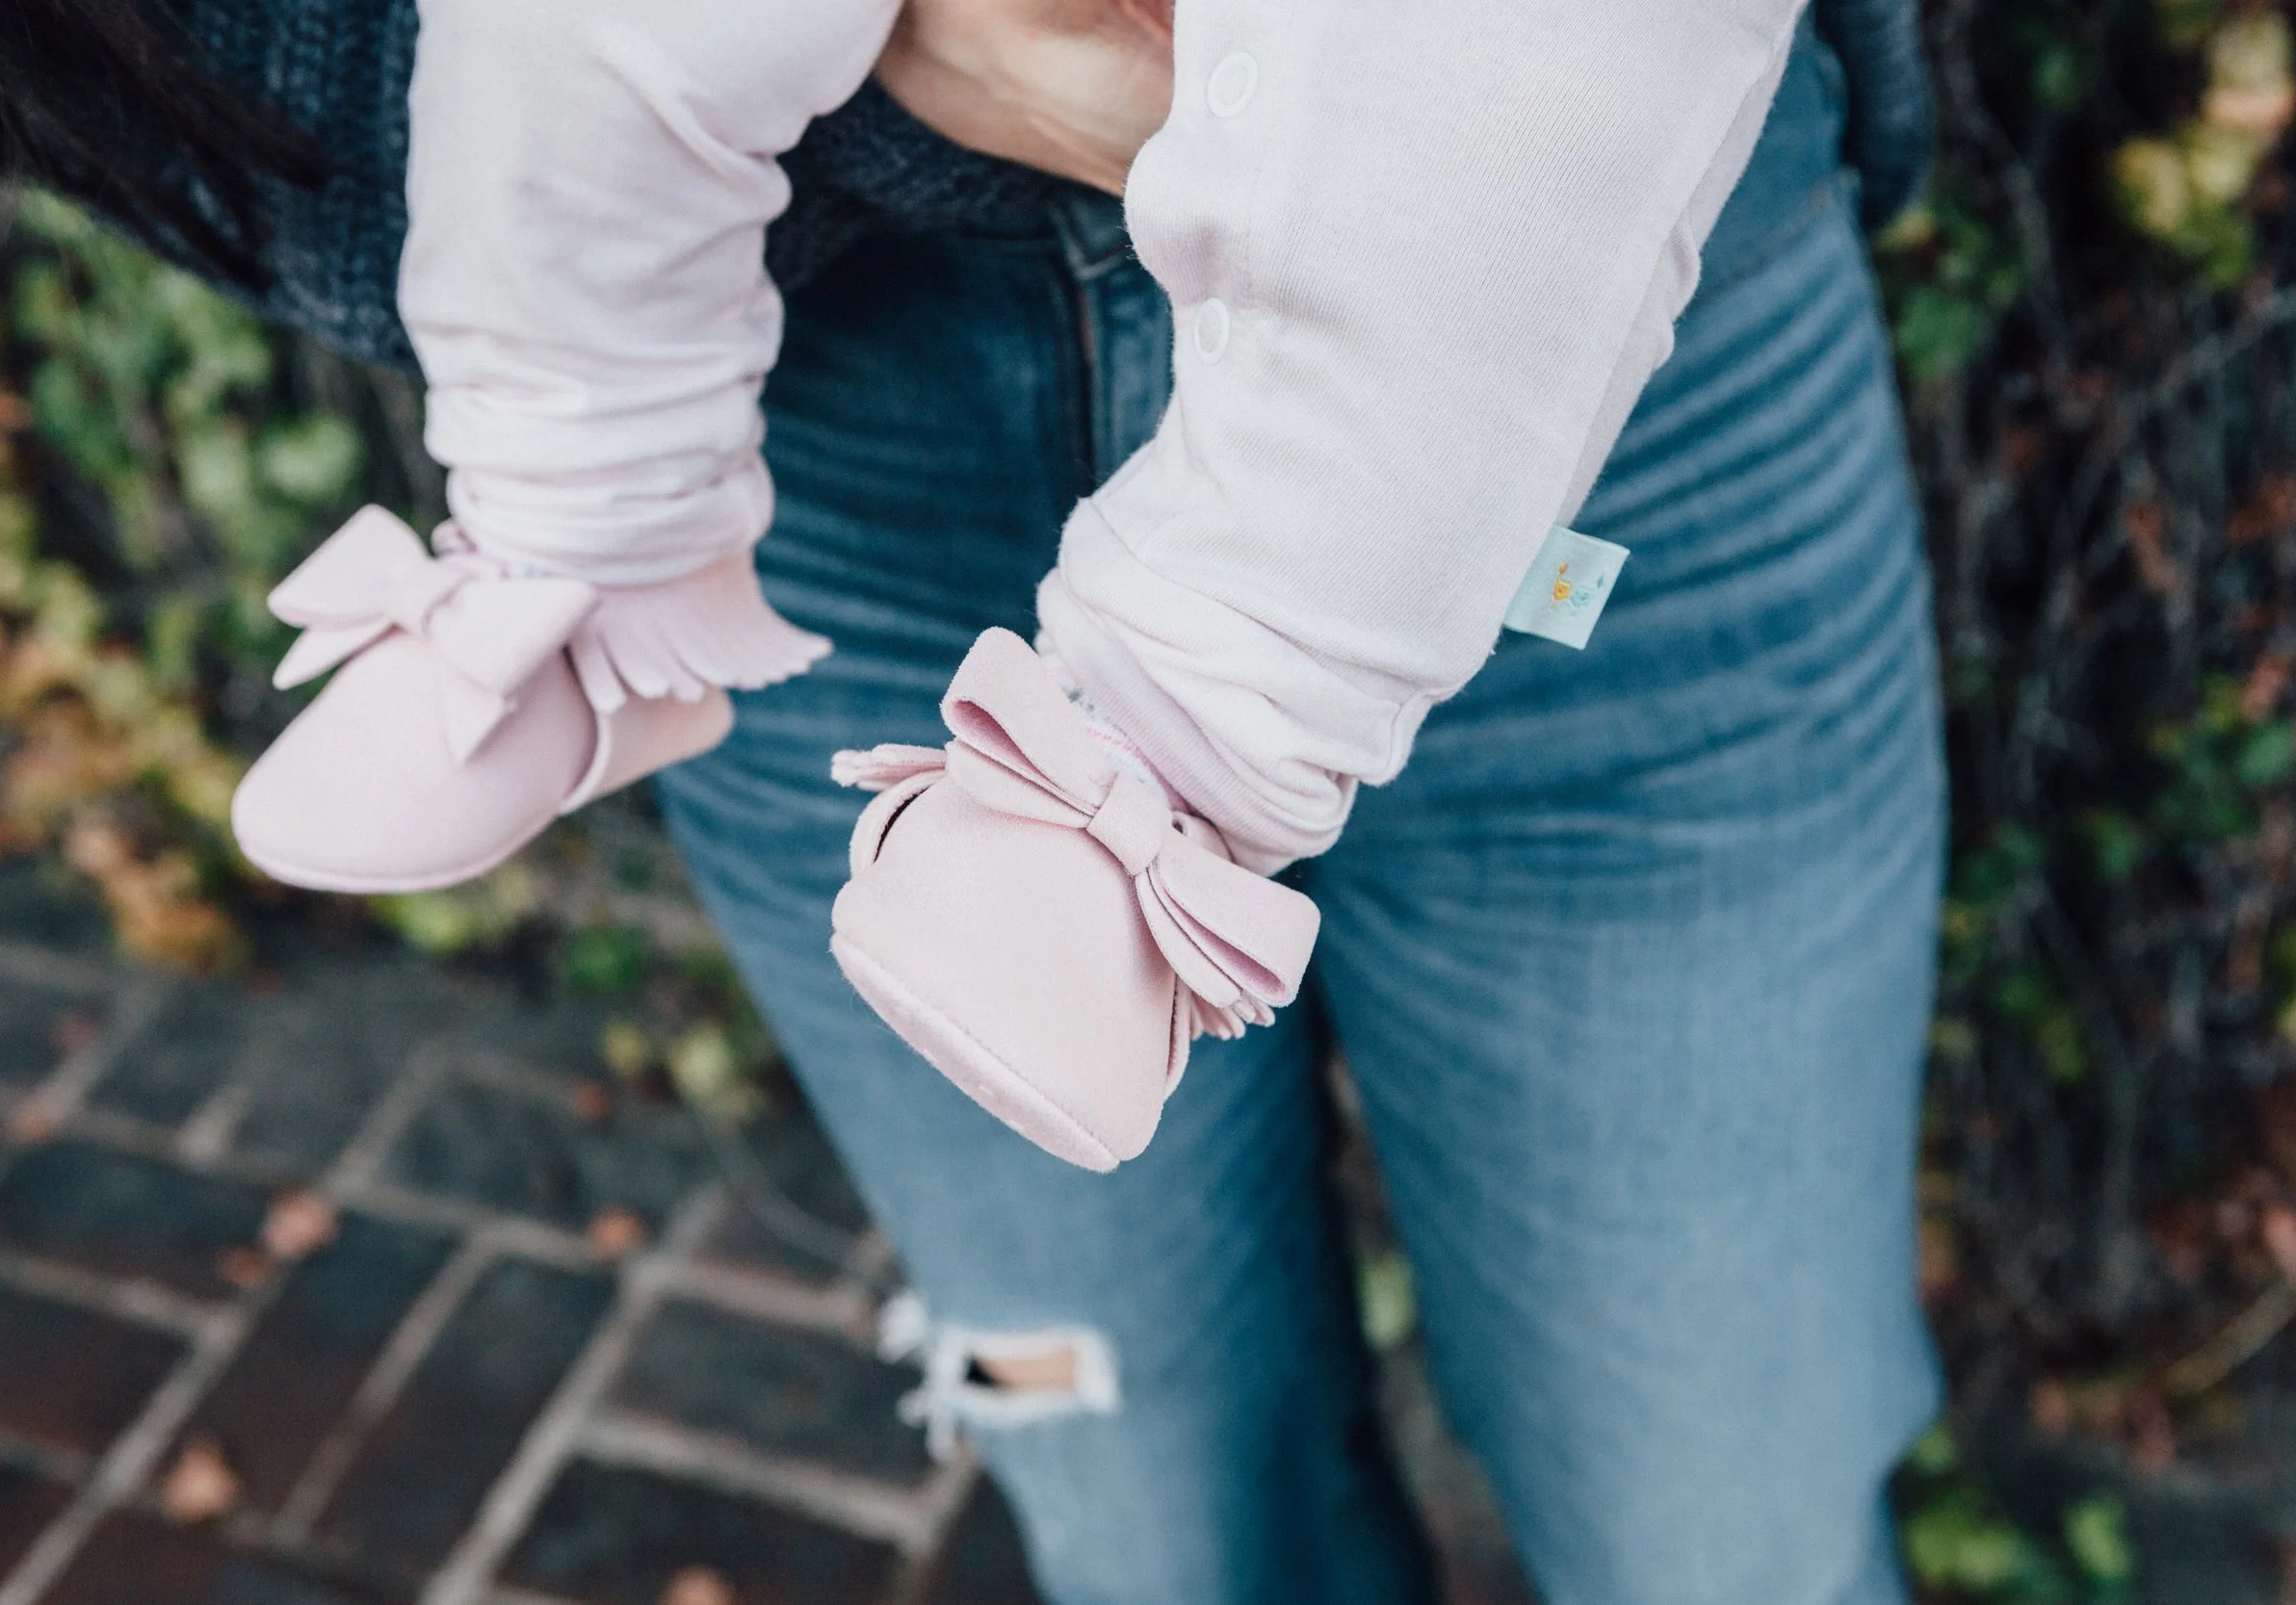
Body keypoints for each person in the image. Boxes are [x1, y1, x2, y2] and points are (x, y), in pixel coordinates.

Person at [2, 0, 1946, 1598]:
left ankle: (1179, 737)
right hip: (842, 388)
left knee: (1725, 1532)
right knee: (1148, 1520)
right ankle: (589, 522)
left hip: (1591, 369)